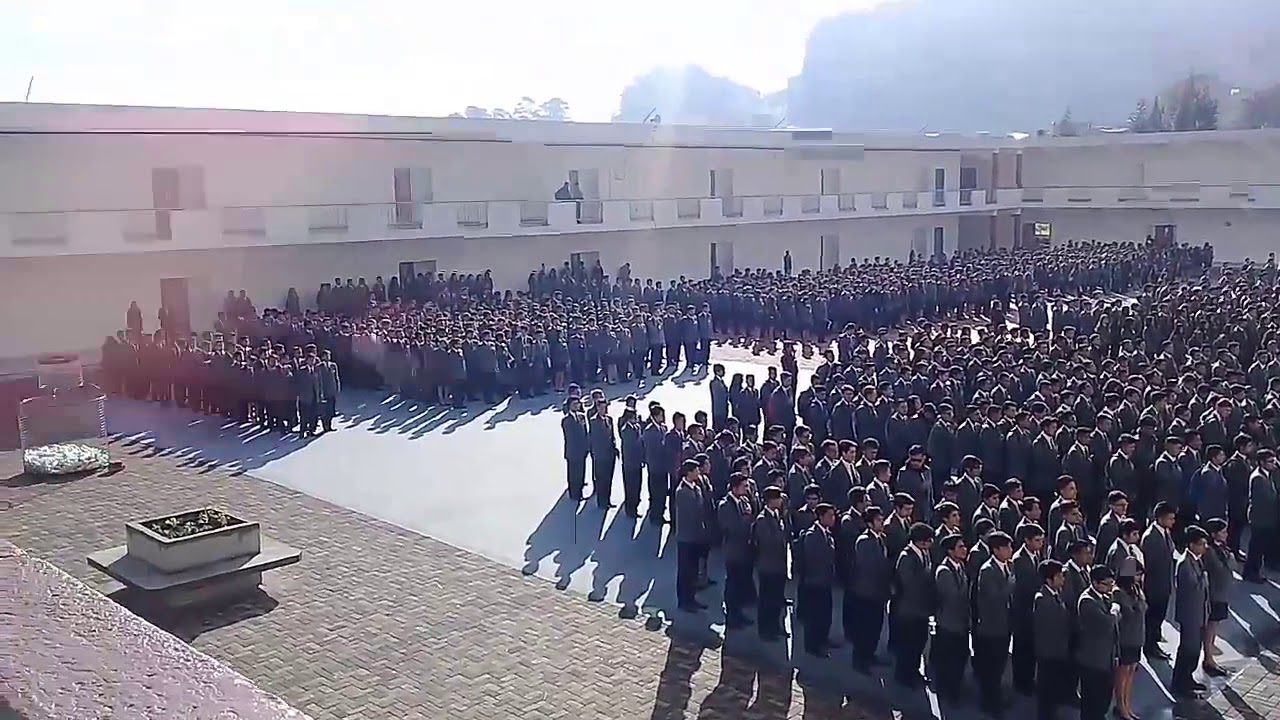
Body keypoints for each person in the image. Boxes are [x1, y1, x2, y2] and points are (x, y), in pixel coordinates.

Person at [973, 531, 1015, 717]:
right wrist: (1012, 583)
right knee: (991, 668)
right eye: (1006, 547)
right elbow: (995, 597)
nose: (1010, 550)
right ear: (996, 549)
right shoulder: (987, 570)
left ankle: (995, 699)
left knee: (999, 666)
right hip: (991, 627)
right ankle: (989, 703)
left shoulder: (1006, 566)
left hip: (1004, 625)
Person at [891, 522, 936, 689]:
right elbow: (910, 583)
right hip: (909, 610)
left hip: (921, 610)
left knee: (919, 643)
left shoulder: (924, 554)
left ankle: (914, 671)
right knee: (908, 645)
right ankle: (904, 676)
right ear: (920, 541)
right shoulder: (906, 557)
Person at [849, 506, 891, 673]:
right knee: (864, 628)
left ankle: (870, 654)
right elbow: (869, 566)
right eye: (878, 520)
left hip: (878, 591)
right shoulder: (864, 541)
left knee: (875, 626)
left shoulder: (881, 538)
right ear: (869, 523)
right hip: (867, 591)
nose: (882, 522)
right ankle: (860, 660)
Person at [1172, 525, 1212, 697]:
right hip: (1189, 616)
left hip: (1199, 613)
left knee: (1195, 650)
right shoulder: (1184, 564)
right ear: (1192, 544)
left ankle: (1188, 679)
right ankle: (1180, 684)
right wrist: (1204, 578)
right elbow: (1192, 586)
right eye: (1202, 544)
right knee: (1188, 650)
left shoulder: (1197, 559)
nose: (1205, 547)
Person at [931, 533, 971, 704]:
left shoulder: (960, 567)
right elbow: (953, 597)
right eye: (960, 547)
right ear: (950, 551)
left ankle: (955, 689)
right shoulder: (944, 571)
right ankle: (947, 693)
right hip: (949, 624)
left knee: (960, 659)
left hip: (960, 624)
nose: (964, 549)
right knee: (948, 661)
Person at [1076, 565, 1119, 720]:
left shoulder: (1104, 597)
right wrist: (1115, 609)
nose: (1110, 588)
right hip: (1092, 659)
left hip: (1106, 658)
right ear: (1095, 582)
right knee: (1091, 700)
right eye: (1106, 584)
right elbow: (1108, 622)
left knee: (1105, 696)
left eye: (1111, 584)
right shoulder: (1087, 601)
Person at [798, 502, 838, 657]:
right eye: (829, 516)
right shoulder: (812, 536)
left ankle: (823, 639)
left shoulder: (826, 533)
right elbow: (813, 559)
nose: (833, 519)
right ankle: (813, 645)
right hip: (815, 582)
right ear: (820, 517)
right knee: (814, 615)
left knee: (825, 614)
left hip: (825, 580)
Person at [718, 473, 757, 629]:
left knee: (741, 583)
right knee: (733, 584)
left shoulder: (744, 501)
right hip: (733, 552)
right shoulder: (725, 505)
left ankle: (739, 613)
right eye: (744, 486)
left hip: (745, 551)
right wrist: (747, 520)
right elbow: (732, 528)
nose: (747, 489)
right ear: (734, 488)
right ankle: (732, 616)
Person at [1033, 558, 1070, 720]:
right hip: (1048, 652)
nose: (1063, 578)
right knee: (1046, 689)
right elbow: (1048, 628)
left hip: (1058, 650)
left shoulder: (1056, 593)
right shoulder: (1042, 599)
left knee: (1054, 687)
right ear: (1049, 579)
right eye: (1059, 575)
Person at [1140, 501, 1178, 660]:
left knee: (1159, 617)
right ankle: (1149, 647)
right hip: (1154, 586)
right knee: (1152, 618)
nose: (1173, 522)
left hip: (1164, 584)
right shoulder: (1151, 537)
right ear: (1160, 518)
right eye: (1170, 518)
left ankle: (1154, 643)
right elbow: (1148, 564)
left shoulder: (1165, 533)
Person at [1112, 558, 1147, 720]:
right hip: (1126, 638)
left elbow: (1143, 607)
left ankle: (1127, 703)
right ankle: (1120, 705)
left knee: (1131, 671)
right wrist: (1139, 605)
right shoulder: (1118, 592)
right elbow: (1131, 611)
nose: (1139, 578)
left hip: (1137, 636)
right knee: (1122, 673)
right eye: (1137, 574)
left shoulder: (1136, 589)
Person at [1200, 518, 1234, 678]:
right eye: (1223, 532)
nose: (1226, 535)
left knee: (1215, 626)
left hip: (1221, 592)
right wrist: (1227, 557)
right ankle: (1208, 658)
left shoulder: (1222, 548)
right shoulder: (1210, 551)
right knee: (1210, 626)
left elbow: (1231, 565)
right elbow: (1219, 568)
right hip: (1213, 594)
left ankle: (1210, 657)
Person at [1244, 449, 1279, 582]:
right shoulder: (1258, 478)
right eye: (1270, 462)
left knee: (1262, 545)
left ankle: (1259, 569)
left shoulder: (1267, 474)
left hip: (1267, 518)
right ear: (1261, 462)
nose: (1273, 464)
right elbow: (1265, 499)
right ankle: (1251, 573)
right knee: (1256, 548)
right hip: (1261, 518)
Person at [588, 397, 617, 508]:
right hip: (601, 455)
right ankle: (602, 501)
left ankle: (607, 499)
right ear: (597, 408)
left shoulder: (609, 419)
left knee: (609, 478)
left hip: (610, 454)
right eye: (602, 407)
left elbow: (612, 435)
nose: (604, 410)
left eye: (605, 407)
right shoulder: (594, 421)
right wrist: (596, 452)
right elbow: (594, 438)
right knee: (601, 479)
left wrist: (614, 447)